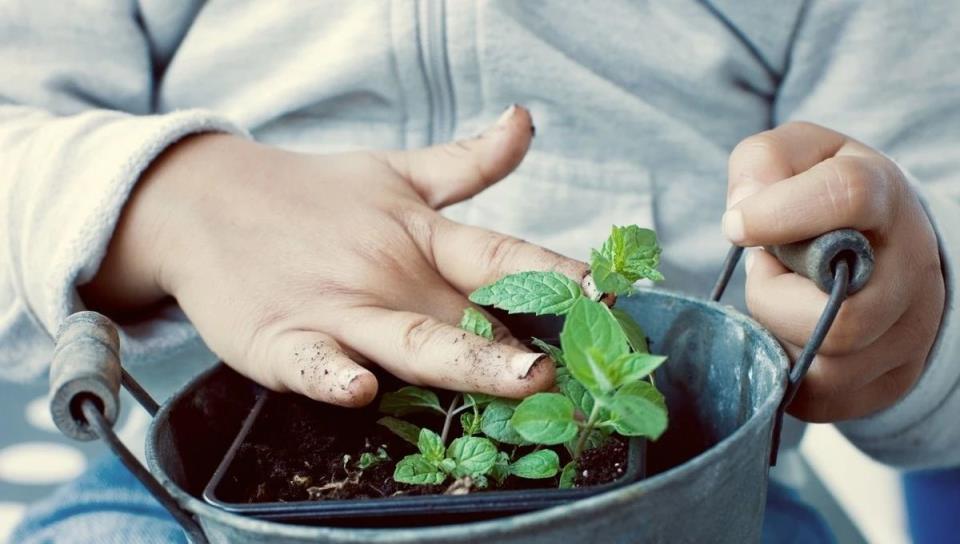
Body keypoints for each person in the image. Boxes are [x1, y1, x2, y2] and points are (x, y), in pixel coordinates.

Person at [2, 1, 957, 542]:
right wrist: (165, 201)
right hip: (195, 492)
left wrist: (911, 305)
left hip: (682, 484)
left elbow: (926, 180)